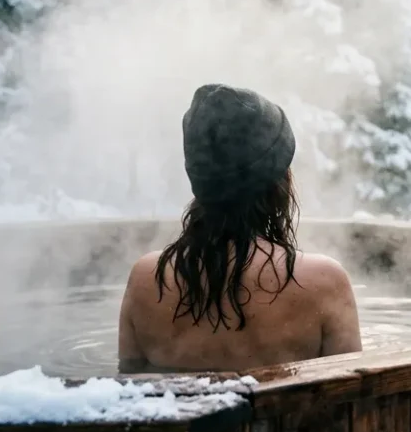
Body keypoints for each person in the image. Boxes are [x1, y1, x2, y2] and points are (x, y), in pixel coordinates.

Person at [117, 84, 362, 373]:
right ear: (278, 180)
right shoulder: (323, 282)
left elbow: (128, 383)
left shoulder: (147, 280)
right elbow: (354, 397)